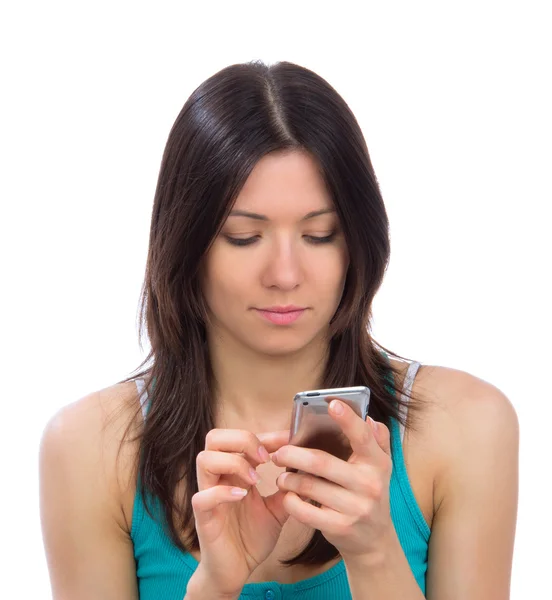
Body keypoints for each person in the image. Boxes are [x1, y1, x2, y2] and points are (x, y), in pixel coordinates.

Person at [39, 60, 519, 600]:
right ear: (186, 246)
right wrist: (216, 586)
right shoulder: (90, 448)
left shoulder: (466, 426)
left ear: (357, 244)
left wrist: (375, 551)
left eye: (319, 234)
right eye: (244, 237)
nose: (286, 275)